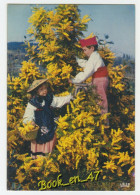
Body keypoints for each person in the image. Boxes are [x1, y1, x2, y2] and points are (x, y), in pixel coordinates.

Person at [23, 78, 73, 158]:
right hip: (38, 128)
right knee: (38, 143)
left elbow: (60, 101)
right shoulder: (33, 103)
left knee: (50, 141)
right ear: (36, 91)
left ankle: (48, 159)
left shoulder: (50, 98)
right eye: (41, 89)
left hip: (49, 125)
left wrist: (70, 97)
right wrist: (30, 121)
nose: (44, 91)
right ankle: (38, 160)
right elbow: (27, 115)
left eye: (45, 88)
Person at [69, 37, 109, 116]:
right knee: (98, 99)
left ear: (92, 48)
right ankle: (100, 118)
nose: (84, 52)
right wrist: (77, 59)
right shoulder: (94, 56)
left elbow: (86, 72)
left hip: (100, 81)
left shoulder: (94, 57)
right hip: (99, 80)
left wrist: (74, 80)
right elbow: (87, 64)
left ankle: (103, 121)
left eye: (85, 50)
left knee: (100, 100)